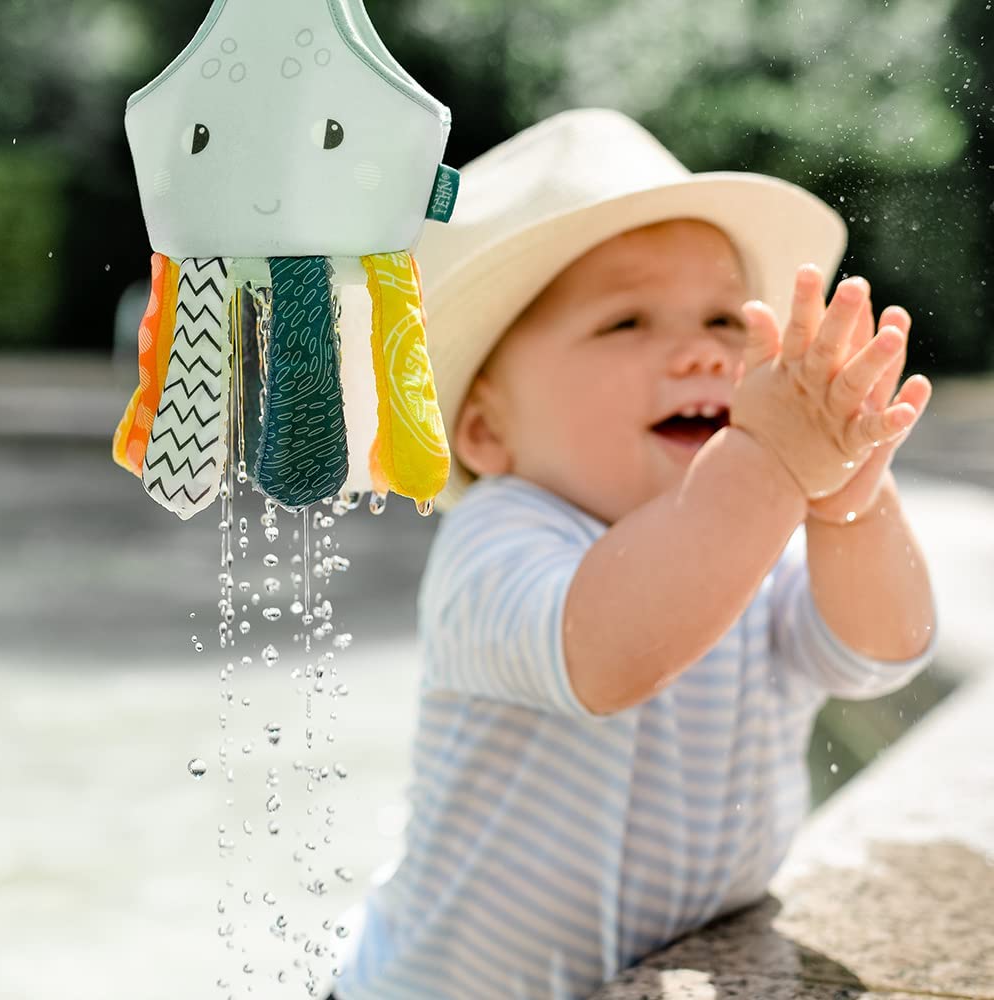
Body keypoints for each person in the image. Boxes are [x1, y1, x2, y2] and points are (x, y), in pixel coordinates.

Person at [327, 107, 938, 1000]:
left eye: (729, 323)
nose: (698, 352)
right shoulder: (500, 538)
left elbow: (881, 655)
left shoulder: (760, 541)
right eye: (627, 324)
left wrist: (850, 508)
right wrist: (767, 464)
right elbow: (610, 654)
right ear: (488, 431)